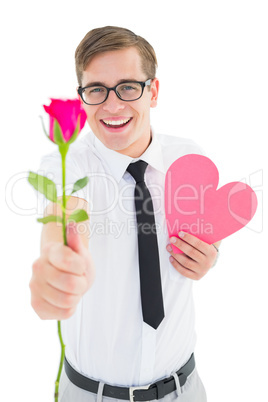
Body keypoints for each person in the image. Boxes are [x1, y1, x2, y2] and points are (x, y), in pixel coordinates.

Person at [30, 26, 220, 402]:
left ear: (154, 91)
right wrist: (58, 261)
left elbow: (206, 234)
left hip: (186, 389)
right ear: (82, 97)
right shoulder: (66, 167)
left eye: (128, 87)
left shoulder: (188, 159)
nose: (113, 105)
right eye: (96, 90)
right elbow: (66, 215)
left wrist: (209, 257)